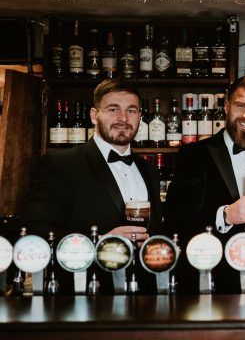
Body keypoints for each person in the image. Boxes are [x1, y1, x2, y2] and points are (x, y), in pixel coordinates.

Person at [22, 79, 163, 293]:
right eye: (113, 109)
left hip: (145, 294)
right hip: (85, 293)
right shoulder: (61, 163)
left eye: (131, 110)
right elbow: (36, 231)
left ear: (140, 118)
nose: (123, 118)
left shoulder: (148, 170)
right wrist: (99, 243)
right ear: (94, 115)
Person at [165, 74, 245, 294]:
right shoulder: (194, 154)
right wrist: (226, 215)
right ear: (226, 105)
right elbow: (175, 218)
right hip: (212, 282)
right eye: (241, 106)